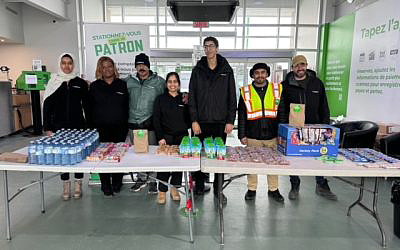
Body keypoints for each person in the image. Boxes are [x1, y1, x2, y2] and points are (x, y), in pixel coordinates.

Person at [278, 55, 337, 201]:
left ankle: (322, 184)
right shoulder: (285, 85)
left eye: (302, 65)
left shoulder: (317, 83)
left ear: (307, 66)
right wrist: (284, 127)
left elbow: (324, 106)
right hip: (294, 129)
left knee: (319, 156)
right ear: (292, 68)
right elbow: (282, 108)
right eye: (297, 65)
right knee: (294, 158)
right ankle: (294, 185)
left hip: (316, 127)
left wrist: (325, 126)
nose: (300, 68)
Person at [189, 36, 237, 204]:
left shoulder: (226, 69)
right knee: (199, 157)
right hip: (200, 123)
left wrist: (230, 120)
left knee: (218, 159)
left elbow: (232, 96)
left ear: (217, 48)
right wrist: (193, 120)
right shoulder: (198, 70)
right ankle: (199, 187)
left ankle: (218, 190)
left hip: (220, 123)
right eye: (206, 46)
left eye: (211, 46)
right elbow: (192, 97)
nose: (208, 49)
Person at [43, 53, 89, 201]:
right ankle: (65, 185)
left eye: (69, 63)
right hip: (59, 127)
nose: (67, 66)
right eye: (64, 63)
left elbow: (87, 106)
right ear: (60, 64)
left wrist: (89, 125)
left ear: (73, 64)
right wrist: (48, 127)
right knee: (63, 157)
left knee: (77, 156)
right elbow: (47, 106)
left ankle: (78, 184)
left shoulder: (80, 83)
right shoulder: (54, 81)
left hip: (78, 126)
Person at [238, 63, 284, 203]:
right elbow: (241, 115)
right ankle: (252, 189)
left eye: (263, 72)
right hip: (253, 134)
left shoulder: (277, 89)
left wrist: (281, 134)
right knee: (252, 164)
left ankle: (273, 189)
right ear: (252, 75)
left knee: (274, 164)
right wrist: (242, 134)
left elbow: (282, 113)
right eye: (257, 73)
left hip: (272, 135)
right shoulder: (245, 92)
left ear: (267, 74)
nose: (260, 75)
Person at [88, 56, 129, 197]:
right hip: (100, 129)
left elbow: (127, 106)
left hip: (120, 128)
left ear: (114, 67)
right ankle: (105, 184)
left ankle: (117, 182)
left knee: (118, 155)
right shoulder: (94, 86)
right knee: (102, 156)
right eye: (103, 67)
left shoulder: (122, 85)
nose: (107, 69)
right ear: (100, 69)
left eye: (109, 66)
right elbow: (88, 108)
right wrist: (91, 127)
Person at [125, 53, 166, 194]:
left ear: (148, 66)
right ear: (135, 66)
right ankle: (141, 178)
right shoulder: (128, 82)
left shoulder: (159, 82)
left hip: (150, 124)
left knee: (153, 153)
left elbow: (170, 94)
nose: (141, 67)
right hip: (133, 124)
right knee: (139, 153)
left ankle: (153, 181)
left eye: (144, 64)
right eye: (138, 65)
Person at [153, 72, 190, 204]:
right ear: (166, 84)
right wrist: (160, 137)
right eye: (170, 81)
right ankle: (162, 191)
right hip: (166, 137)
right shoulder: (160, 99)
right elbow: (156, 120)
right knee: (163, 166)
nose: (172, 84)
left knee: (178, 165)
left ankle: (175, 189)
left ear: (179, 84)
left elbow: (190, 119)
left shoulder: (184, 98)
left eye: (175, 82)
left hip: (182, 137)